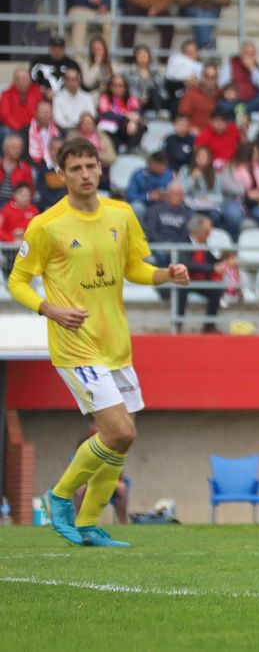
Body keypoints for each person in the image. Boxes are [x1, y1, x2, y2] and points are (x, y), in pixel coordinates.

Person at [9, 136, 191, 547]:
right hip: (76, 346)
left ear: (100, 167)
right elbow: (16, 281)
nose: (86, 174)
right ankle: (58, 495)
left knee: (124, 435)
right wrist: (48, 309)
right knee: (119, 430)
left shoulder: (122, 214)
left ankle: (89, 523)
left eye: (91, 166)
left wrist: (166, 274)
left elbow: (134, 268)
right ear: (61, 174)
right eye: (75, 168)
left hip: (116, 345)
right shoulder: (46, 225)